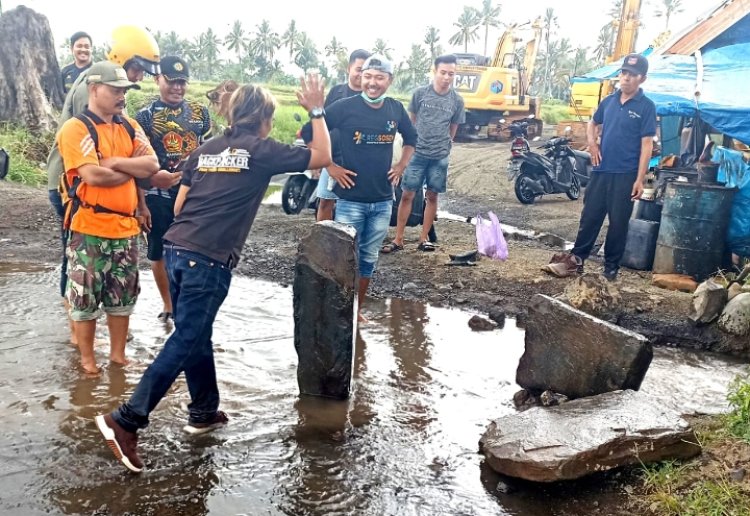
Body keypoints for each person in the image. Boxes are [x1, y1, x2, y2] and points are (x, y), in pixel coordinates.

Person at [95, 75, 332, 473]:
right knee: (187, 338)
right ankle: (126, 419)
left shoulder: (207, 149)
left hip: (175, 249)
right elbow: (322, 155)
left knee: (195, 334)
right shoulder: (261, 150)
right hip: (207, 259)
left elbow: (183, 198)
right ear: (265, 119)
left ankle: (203, 412)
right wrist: (317, 110)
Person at [47, 26, 163, 345]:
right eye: (137, 67)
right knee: (78, 264)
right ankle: (77, 337)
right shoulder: (95, 89)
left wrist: (126, 175)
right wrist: (128, 168)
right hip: (75, 186)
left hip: (106, 187)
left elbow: (134, 160)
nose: (135, 79)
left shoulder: (119, 105)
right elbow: (96, 170)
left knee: (91, 268)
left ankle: (86, 336)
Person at [304, 55, 417, 321]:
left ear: (389, 80)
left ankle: (355, 310)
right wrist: (330, 166)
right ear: (361, 77)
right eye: (368, 76)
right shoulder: (344, 107)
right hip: (350, 199)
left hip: (382, 201)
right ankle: (337, 311)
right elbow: (309, 133)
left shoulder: (395, 110)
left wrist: (401, 165)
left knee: (368, 259)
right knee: (343, 258)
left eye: (379, 77)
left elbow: (411, 138)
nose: (372, 83)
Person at [543, 53, 656, 281]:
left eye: (632, 75)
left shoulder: (646, 107)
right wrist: (592, 143)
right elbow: (593, 121)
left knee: (618, 222)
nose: (626, 78)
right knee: (590, 217)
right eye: (624, 73)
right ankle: (577, 260)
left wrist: (640, 179)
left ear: (642, 79)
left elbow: (647, 145)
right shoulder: (609, 101)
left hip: (625, 174)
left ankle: (611, 268)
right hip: (601, 170)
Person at [135, 56, 211, 323]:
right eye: (171, 81)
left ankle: (188, 302)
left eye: (182, 82)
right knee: (158, 250)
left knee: (194, 249)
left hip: (193, 194)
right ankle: (169, 304)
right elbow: (137, 163)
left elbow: (209, 152)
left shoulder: (201, 114)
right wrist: (141, 203)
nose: (177, 87)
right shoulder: (144, 117)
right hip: (157, 195)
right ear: (158, 80)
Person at [383, 54, 465, 253]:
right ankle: (399, 239)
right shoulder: (420, 94)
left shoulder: (457, 100)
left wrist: (446, 145)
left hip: (440, 156)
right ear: (434, 71)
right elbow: (410, 123)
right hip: (417, 154)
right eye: (443, 72)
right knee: (407, 195)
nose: (446, 77)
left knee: (432, 196)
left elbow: (453, 128)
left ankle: (423, 239)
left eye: (451, 74)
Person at [316, 48, 371, 222]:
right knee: (326, 202)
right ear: (349, 68)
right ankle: (322, 242)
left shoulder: (371, 97)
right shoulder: (336, 92)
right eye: (358, 69)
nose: (361, 74)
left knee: (354, 205)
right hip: (332, 158)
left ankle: (351, 245)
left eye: (366, 71)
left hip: (360, 162)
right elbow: (322, 124)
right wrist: (319, 160)